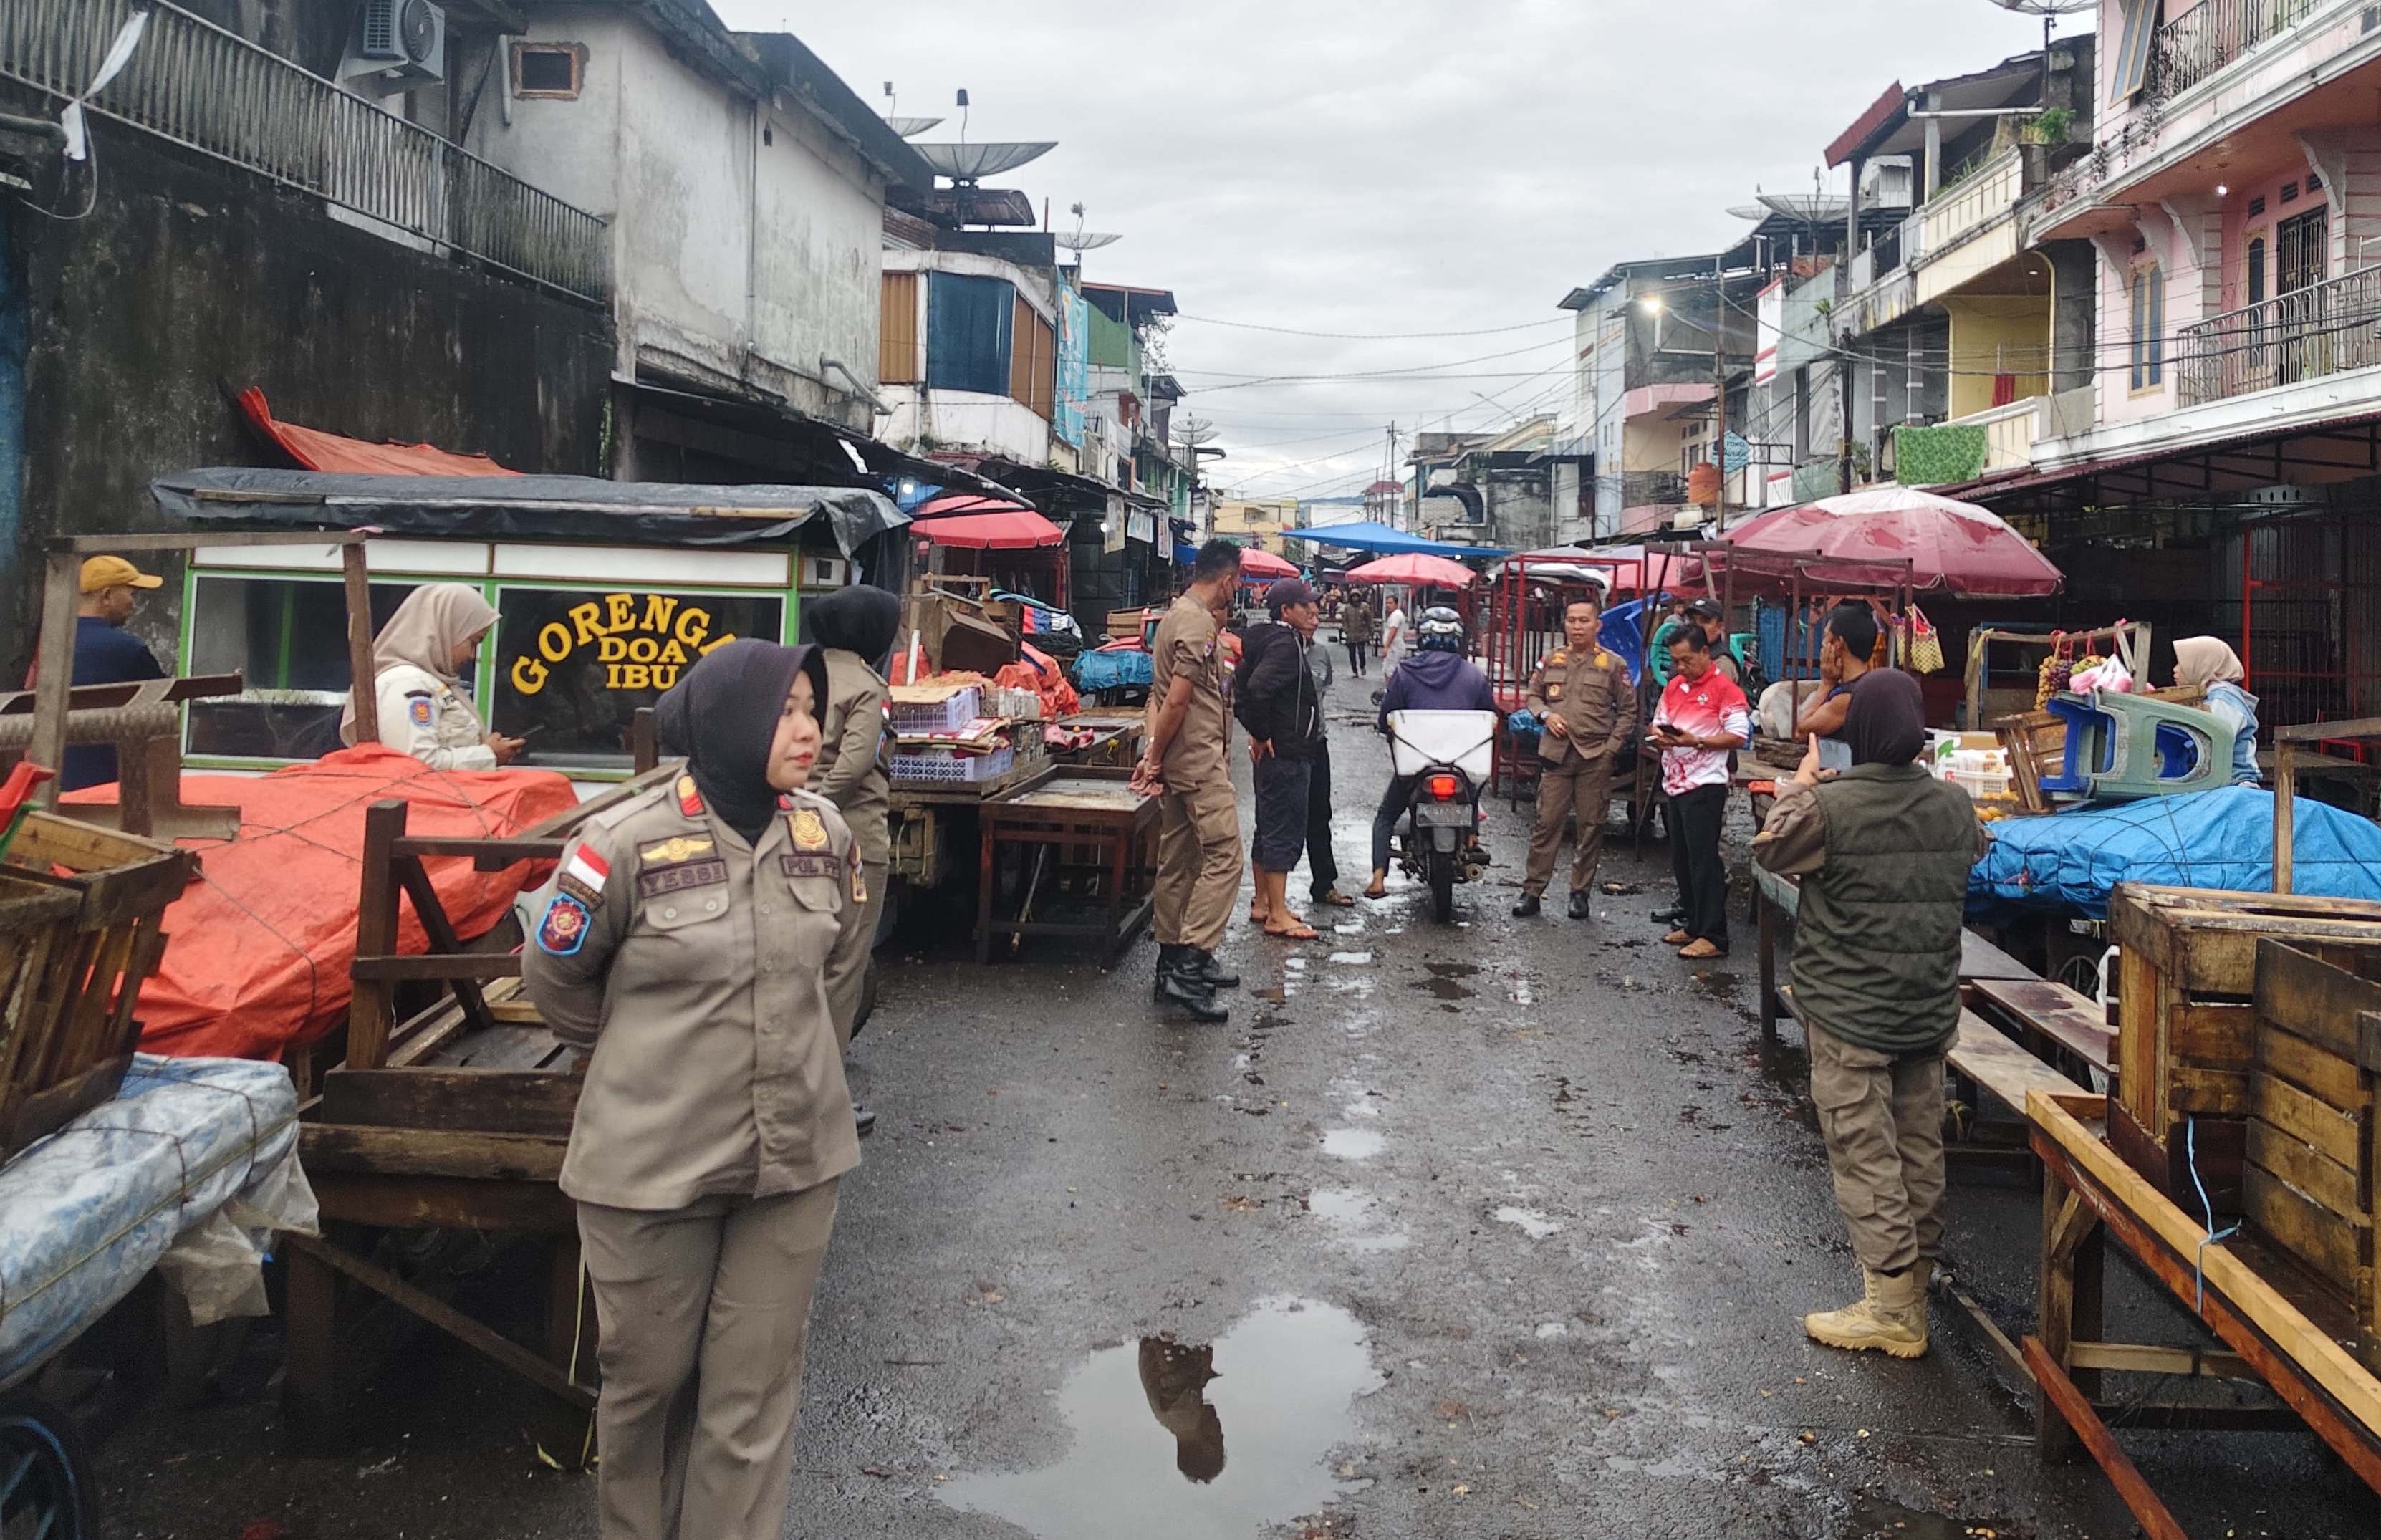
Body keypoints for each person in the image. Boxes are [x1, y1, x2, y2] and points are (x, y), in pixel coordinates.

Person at [519, 639, 860, 1540]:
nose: (808, 727)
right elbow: (555, 974)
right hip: (651, 1166)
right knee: (649, 1382)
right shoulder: (621, 846)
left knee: (751, 1393)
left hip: (791, 1164)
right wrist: (645, 1058)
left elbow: (839, 971)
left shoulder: (828, 836)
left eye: (810, 708)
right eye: (784, 708)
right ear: (728, 719)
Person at [1751, 669, 1986, 1359]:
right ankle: (1915, 1278)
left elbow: (1770, 851)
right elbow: (1975, 852)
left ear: (1859, 731)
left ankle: (1890, 1310)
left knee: (1864, 1148)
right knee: (1919, 1142)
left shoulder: (1832, 806)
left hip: (1850, 1010)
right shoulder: (1953, 805)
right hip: (1926, 1007)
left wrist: (1802, 788)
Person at [805, 583, 900, 1142]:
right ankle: (824, 1097)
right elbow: (856, 764)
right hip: (852, 839)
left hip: (795, 832)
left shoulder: (802, 673)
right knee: (843, 964)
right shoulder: (865, 686)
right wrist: (818, 808)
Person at [1137, 540, 1245, 1021]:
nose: (1236, 590)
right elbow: (1176, 700)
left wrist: (1155, 756)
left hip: (1183, 760)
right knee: (1225, 856)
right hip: (1197, 761)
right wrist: (1154, 758)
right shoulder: (1197, 621)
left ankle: (1169, 961)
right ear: (1226, 579)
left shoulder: (1174, 616)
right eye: (1237, 581)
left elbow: (1161, 697)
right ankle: (1190, 962)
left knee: (1179, 859)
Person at [1515, 598, 1637, 920]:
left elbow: (1628, 712)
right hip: (1556, 756)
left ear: (1598, 625)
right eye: (1572, 620)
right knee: (1546, 824)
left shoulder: (1613, 665)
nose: (1577, 626)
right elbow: (1532, 695)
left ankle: (1579, 893)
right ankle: (1532, 891)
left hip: (1595, 757)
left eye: (1585, 621)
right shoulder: (1551, 660)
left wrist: (1611, 748)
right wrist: (1545, 715)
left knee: (1591, 826)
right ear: (1565, 624)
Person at [1365, 606, 1496, 899]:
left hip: (1417, 766)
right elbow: (1490, 717)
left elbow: (1387, 716)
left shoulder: (1405, 672)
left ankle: (1377, 879)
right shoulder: (1474, 675)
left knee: (1386, 815)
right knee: (1473, 792)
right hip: (1464, 765)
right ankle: (1471, 835)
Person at [340, 584, 522, 770]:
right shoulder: (408, 684)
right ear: (445, 631)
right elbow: (414, 765)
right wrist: (487, 755)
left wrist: (486, 751)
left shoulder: (431, 682)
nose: (472, 655)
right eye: (473, 642)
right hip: (421, 798)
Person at [1649, 625, 1750, 960]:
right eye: (1676, 661)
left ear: (1706, 653)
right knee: (1682, 858)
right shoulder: (1676, 686)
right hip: (1675, 782)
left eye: (1687, 660)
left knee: (1705, 860)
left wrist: (1699, 741)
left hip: (1706, 784)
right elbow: (1658, 720)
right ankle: (1693, 923)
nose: (1681, 667)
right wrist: (1661, 737)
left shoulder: (1725, 689)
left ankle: (1714, 934)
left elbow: (1738, 736)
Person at [1238, 579, 1327, 941]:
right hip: (1287, 754)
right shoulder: (1286, 645)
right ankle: (1276, 914)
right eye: (1305, 607)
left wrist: (1258, 731)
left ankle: (1264, 902)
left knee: (1268, 824)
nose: (1314, 614)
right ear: (1286, 611)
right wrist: (1261, 733)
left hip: (1281, 751)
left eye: (1315, 608)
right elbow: (1256, 689)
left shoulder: (1271, 642)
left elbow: (1242, 685)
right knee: (1283, 829)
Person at [55, 556, 167, 792]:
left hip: (50, 778)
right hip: (107, 785)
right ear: (106, 596)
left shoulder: (50, 642)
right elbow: (166, 700)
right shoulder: (127, 649)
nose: (134, 605)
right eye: (132, 594)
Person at [1790, 603, 1880, 776]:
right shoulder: (1863, 685)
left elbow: (1800, 731)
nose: (1822, 644)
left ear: (1838, 643)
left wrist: (1826, 684)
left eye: (1826, 638)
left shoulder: (1847, 697)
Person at [2173, 636, 2261, 784]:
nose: (2175, 670)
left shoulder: (2223, 699)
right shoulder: (2209, 696)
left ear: (2202, 665)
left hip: (2234, 784)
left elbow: (2211, 742)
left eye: (2182, 664)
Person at [1683, 597, 1743, 687]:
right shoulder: (1682, 656)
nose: (1697, 627)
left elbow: (1714, 699)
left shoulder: (1722, 664)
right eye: (1692, 620)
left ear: (1719, 627)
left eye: (1704, 621)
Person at [1342, 596, 1374, 678]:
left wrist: (1371, 631)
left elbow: (1369, 619)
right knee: (1352, 654)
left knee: (1361, 652)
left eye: (1356, 596)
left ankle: (1362, 666)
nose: (1355, 598)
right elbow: (1344, 620)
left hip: (1361, 633)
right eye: (1353, 596)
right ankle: (1354, 671)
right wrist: (1346, 630)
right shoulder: (1347, 608)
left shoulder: (1364, 606)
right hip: (1351, 634)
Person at [1380, 599, 1410, 675]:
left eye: (1390, 603)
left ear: (1396, 604)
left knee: (1390, 671)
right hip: (1393, 646)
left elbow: (1393, 631)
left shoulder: (1396, 615)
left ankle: (1391, 687)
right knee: (1387, 670)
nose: (1388, 605)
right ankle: (1389, 687)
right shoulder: (1394, 615)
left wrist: (1387, 647)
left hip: (1394, 647)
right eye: (1386, 603)